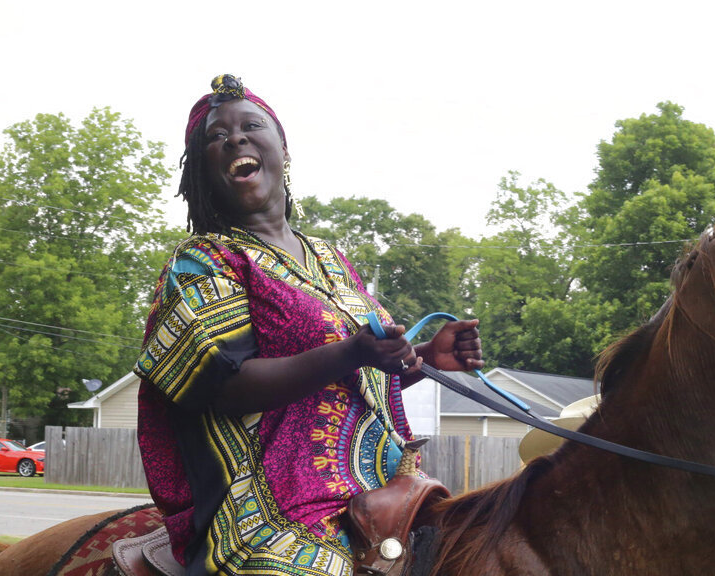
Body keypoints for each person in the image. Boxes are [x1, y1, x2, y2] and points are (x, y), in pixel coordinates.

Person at [134, 74, 483, 576]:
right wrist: (352, 352)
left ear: (283, 150)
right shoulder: (204, 263)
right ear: (203, 171)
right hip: (276, 511)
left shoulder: (331, 258)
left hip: (386, 491)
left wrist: (427, 358)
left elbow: (360, 372)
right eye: (217, 135)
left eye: (252, 125)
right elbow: (222, 387)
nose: (235, 138)